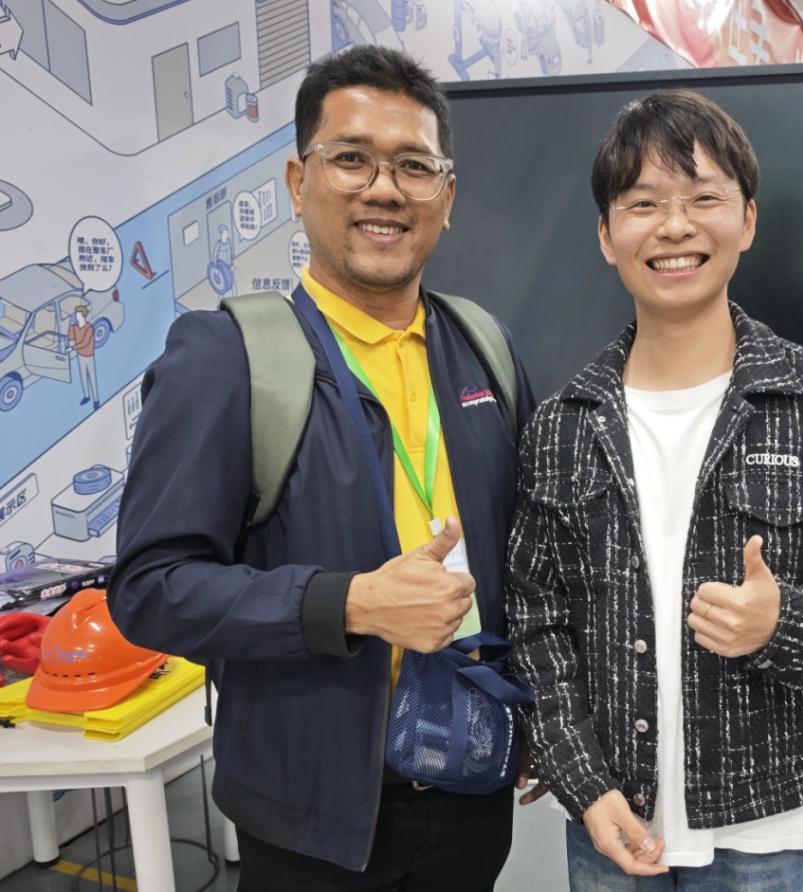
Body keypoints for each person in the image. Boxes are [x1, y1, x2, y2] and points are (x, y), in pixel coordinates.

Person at [109, 46, 535, 891]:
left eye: (414, 166)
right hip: (314, 819)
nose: (385, 189)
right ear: (299, 183)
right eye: (352, 159)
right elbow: (150, 588)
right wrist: (350, 603)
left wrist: (542, 714)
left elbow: (529, 561)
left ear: (446, 197)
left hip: (471, 792)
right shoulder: (227, 358)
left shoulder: (483, 347)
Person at [507, 90, 803, 891]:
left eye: (703, 199)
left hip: (764, 820)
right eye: (644, 203)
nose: (675, 227)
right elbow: (534, 615)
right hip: (612, 815)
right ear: (606, 235)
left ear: (747, 220)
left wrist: (783, 622)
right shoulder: (562, 424)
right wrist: (580, 779)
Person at [67, 303, 99, 410]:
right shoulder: (75, 327)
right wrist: (71, 325)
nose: (76, 316)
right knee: (83, 376)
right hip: (80, 355)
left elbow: (85, 343)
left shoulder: (89, 328)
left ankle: (96, 400)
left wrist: (73, 348)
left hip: (88, 355)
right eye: (76, 314)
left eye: (78, 314)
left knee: (92, 377)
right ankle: (86, 396)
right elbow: (71, 337)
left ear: (83, 315)